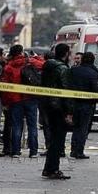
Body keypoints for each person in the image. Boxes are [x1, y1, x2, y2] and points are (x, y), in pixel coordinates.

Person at [1, 45, 43, 158]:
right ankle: (33, 151)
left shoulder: (8, 67)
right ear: (21, 52)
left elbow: (5, 87)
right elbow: (43, 64)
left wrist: (5, 102)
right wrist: (35, 57)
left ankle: (15, 151)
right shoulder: (30, 61)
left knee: (16, 126)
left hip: (15, 100)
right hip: (30, 98)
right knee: (32, 126)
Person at [41, 43, 72, 179]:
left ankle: (49, 168)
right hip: (59, 107)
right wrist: (69, 112)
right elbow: (66, 91)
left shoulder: (47, 66)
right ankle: (53, 169)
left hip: (47, 104)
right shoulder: (63, 69)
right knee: (58, 140)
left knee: (54, 138)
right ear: (66, 53)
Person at [69, 52, 98, 159]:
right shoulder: (93, 72)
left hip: (74, 103)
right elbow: (95, 89)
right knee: (83, 128)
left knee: (76, 127)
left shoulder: (73, 70)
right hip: (87, 104)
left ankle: (73, 150)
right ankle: (79, 151)